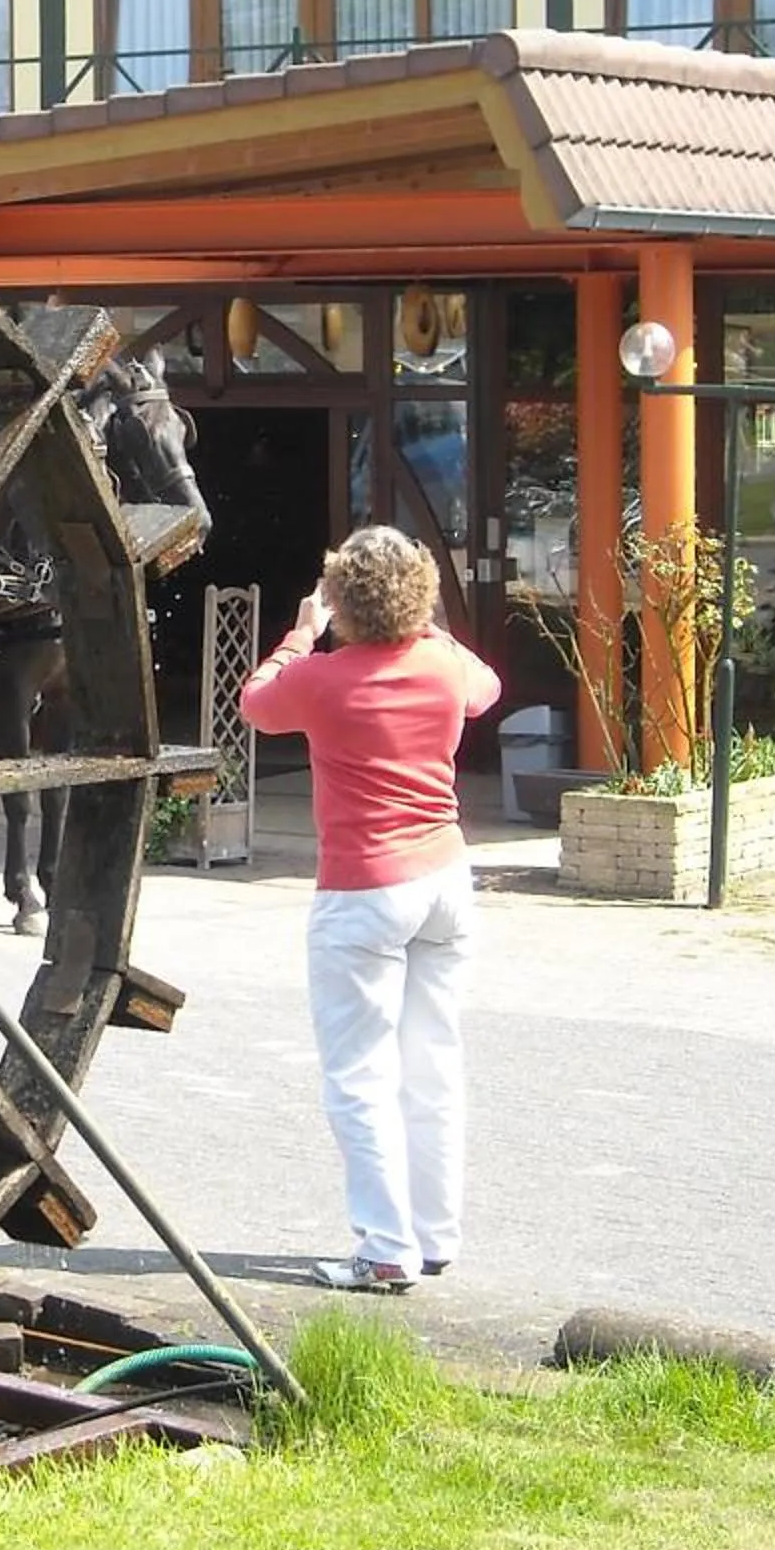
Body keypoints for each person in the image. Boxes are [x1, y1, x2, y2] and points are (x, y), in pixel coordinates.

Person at [237, 526, 501, 1294]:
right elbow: (487, 684)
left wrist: (300, 632)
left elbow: (255, 704)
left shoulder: (322, 679)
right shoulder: (446, 664)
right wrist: (425, 624)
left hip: (361, 891)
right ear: (419, 595)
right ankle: (434, 1235)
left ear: (340, 598)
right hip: (446, 879)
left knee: (359, 1075)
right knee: (434, 1064)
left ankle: (386, 1250)